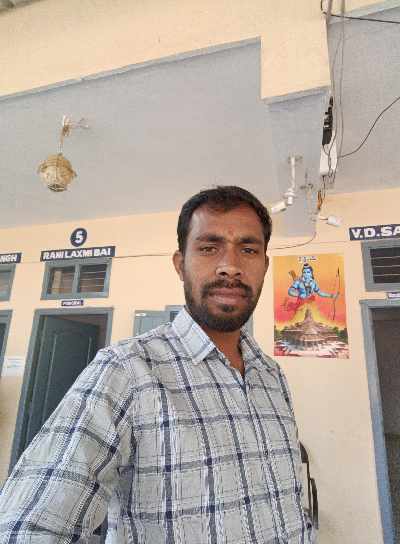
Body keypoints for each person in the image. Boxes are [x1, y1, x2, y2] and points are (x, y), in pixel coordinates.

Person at [0, 186, 311, 543]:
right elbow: (29, 528)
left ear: (265, 266)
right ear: (180, 265)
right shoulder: (126, 370)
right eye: (209, 248)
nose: (230, 265)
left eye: (249, 249)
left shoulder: (271, 375)